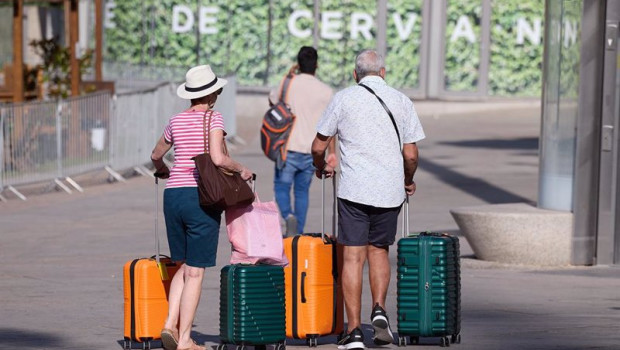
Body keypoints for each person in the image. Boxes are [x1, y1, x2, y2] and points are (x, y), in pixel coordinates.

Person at [311, 49, 425, 350]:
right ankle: (378, 309)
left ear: (355, 74)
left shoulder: (343, 98)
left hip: (353, 191)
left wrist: (319, 166)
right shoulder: (402, 101)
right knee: (379, 252)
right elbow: (411, 154)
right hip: (389, 192)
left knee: (352, 257)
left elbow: (318, 145)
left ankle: (353, 332)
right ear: (383, 73)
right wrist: (407, 179)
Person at [151, 65, 253, 350]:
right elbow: (219, 159)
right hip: (201, 198)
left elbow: (156, 154)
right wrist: (242, 169)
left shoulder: (175, 120)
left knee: (183, 267)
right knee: (196, 272)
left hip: (173, 197)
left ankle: (170, 325)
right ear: (212, 94)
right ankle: (185, 340)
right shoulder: (214, 117)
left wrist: (162, 170)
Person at [269, 46, 336, 236]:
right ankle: (297, 234)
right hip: (311, 150)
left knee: (281, 186)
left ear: (298, 64)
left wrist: (289, 76)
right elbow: (330, 126)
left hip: (287, 147)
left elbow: (273, 102)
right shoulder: (325, 91)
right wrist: (332, 152)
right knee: (302, 192)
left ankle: (288, 216)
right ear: (317, 65)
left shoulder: (286, 84)